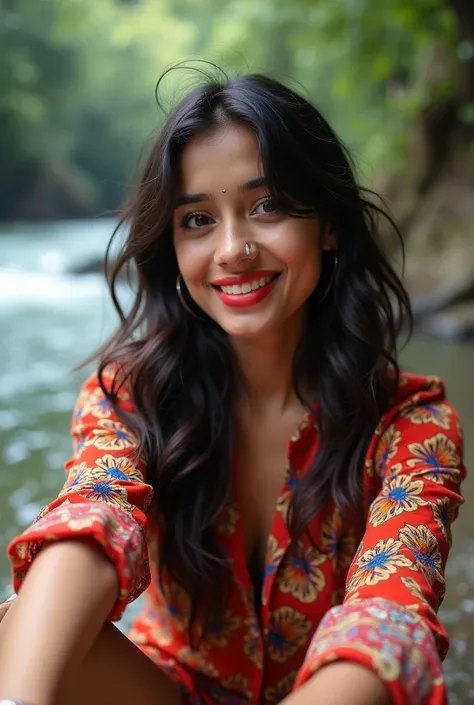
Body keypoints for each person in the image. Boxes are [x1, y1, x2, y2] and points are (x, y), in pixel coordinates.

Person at [0, 68, 465, 705]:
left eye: (266, 205)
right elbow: (95, 514)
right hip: (167, 692)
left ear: (327, 224)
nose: (233, 248)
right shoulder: (131, 395)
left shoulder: (412, 423)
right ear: (171, 245)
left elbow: (392, 617)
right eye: (196, 220)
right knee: (17, 627)